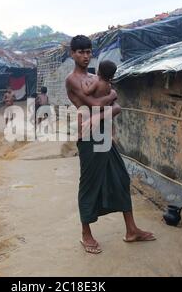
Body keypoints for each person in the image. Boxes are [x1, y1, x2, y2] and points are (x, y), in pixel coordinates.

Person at [65, 35, 155, 254]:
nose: (86, 56)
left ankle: (131, 230)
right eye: (81, 52)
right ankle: (86, 234)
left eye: (88, 51)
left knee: (121, 178)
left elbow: (118, 108)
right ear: (72, 54)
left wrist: (100, 114)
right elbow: (95, 103)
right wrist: (110, 98)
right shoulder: (72, 80)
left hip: (104, 134)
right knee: (89, 184)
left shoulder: (95, 77)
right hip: (88, 137)